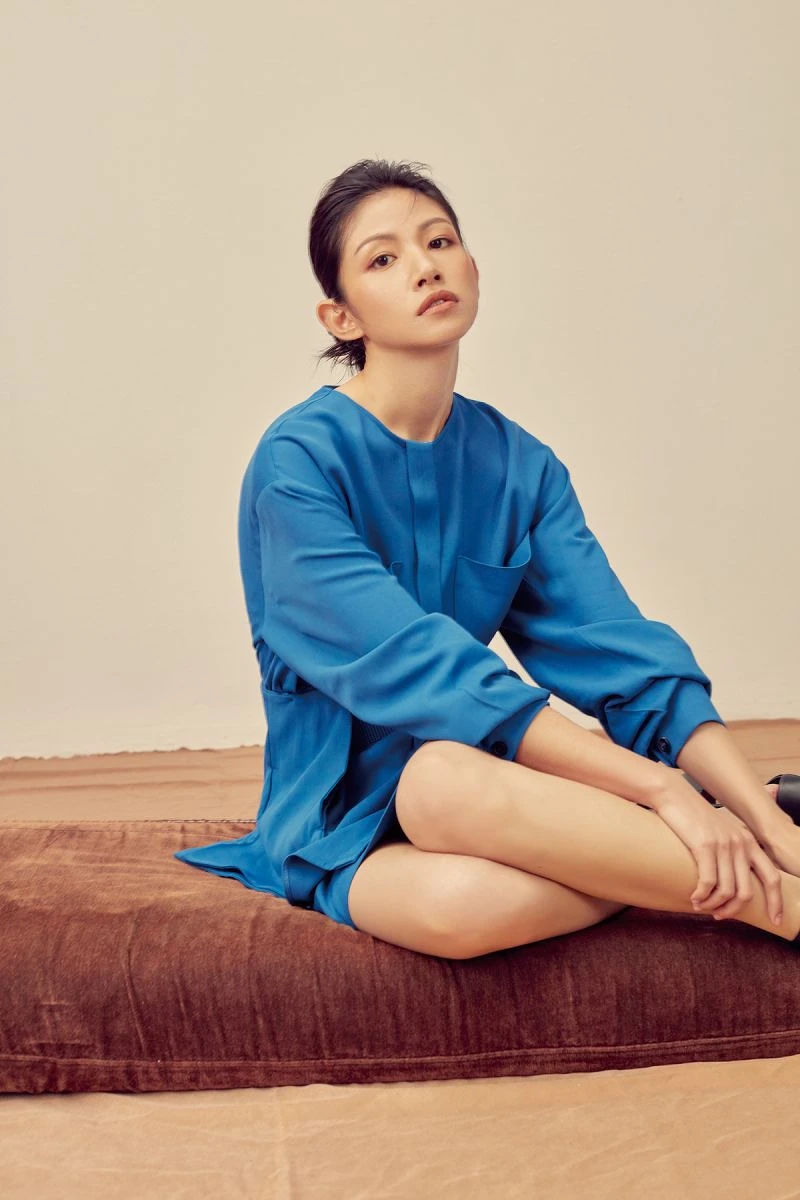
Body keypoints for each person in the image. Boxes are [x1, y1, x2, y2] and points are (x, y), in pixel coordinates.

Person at [175, 158, 800, 957]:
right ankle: (759, 890)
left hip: (492, 784)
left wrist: (757, 812)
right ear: (341, 317)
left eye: (439, 241)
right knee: (459, 888)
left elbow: (621, 652)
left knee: (446, 776)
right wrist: (661, 790)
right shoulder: (296, 465)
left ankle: (756, 854)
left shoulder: (519, 465)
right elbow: (424, 669)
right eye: (383, 258)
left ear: (474, 267)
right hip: (344, 814)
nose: (425, 266)